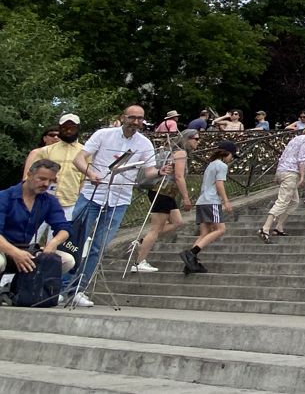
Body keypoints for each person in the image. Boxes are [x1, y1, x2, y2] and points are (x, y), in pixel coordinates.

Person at [65, 105, 156, 307]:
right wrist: (90, 174)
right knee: (74, 240)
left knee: (99, 246)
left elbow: (149, 172)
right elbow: (78, 159)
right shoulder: (104, 134)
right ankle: (60, 286)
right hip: (92, 195)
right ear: (123, 117)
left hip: (119, 199)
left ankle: (78, 289)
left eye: (140, 118)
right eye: (132, 117)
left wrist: (161, 171)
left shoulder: (144, 143)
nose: (136, 122)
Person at [0, 160, 76, 291]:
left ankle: (22, 291)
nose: (46, 184)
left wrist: (53, 244)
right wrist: (16, 253)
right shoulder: (4, 197)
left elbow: (64, 228)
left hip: (25, 251)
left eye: (51, 180)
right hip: (4, 250)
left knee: (67, 260)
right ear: (29, 175)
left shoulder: (49, 201)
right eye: (42, 179)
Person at [130, 129, 198, 273]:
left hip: (165, 192)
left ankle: (141, 242)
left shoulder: (172, 151)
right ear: (187, 139)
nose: (197, 142)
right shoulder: (181, 153)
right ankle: (139, 262)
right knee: (156, 228)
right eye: (195, 139)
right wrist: (186, 197)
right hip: (163, 191)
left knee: (177, 221)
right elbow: (179, 177)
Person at [259, 124, 305, 243]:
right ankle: (265, 228)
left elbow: (284, 156)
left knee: (294, 202)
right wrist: (303, 176)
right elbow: (302, 159)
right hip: (291, 173)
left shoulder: (296, 138)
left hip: (282, 171)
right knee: (283, 201)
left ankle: (279, 226)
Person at [181, 141, 237, 274]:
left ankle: (190, 262)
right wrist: (226, 201)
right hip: (212, 201)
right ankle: (191, 253)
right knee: (220, 229)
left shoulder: (211, 164)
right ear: (226, 153)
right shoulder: (222, 165)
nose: (232, 159)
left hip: (202, 201)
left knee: (205, 233)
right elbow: (219, 184)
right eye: (232, 156)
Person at [28, 114, 86, 227]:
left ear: (78, 128)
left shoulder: (85, 152)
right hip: (42, 201)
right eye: (64, 127)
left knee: (59, 241)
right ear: (60, 128)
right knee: (29, 238)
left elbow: (85, 179)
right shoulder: (46, 151)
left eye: (72, 127)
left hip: (69, 204)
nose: (68, 131)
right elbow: (31, 174)